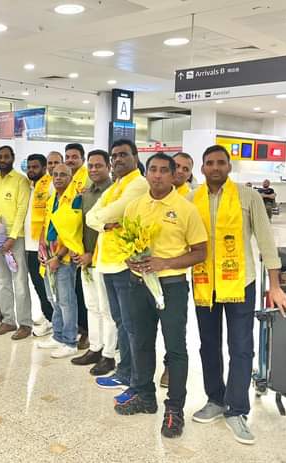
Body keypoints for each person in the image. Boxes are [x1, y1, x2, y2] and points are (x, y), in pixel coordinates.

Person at [190, 145, 286, 445]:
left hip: (241, 282)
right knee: (208, 345)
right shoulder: (191, 198)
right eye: (209, 162)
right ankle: (215, 399)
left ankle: (236, 409)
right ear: (202, 167)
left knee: (241, 347)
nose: (215, 168)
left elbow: (265, 240)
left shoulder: (248, 197)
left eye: (220, 162)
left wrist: (274, 285)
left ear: (229, 167)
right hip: (203, 283)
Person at [118, 153, 208, 439]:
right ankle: (145, 396)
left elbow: (200, 252)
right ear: (147, 174)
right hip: (137, 284)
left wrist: (165, 263)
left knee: (175, 348)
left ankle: (175, 409)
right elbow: (128, 243)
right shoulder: (134, 206)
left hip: (171, 287)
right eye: (152, 170)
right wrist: (130, 261)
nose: (156, 175)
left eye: (163, 171)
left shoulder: (185, 209)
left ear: (173, 176)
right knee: (140, 342)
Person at [86, 139, 148, 401]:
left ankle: (134, 375)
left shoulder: (138, 184)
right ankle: (125, 372)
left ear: (134, 157)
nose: (118, 160)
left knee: (131, 323)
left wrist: (103, 219)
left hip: (126, 263)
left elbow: (115, 211)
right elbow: (92, 215)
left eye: (123, 154)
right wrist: (104, 223)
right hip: (107, 261)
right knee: (121, 319)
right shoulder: (117, 185)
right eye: (115, 156)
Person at [71, 149, 116, 376]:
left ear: (108, 167)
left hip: (105, 259)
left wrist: (92, 254)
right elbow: (78, 225)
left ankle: (109, 355)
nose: (94, 169)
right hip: (85, 258)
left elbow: (111, 229)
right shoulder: (87, 193)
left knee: (107, 309)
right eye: (91, 165)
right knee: (92, 306)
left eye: (99, 165)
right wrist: (78, 251)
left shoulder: (113, 192)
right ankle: (95, 348)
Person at [0, 145, 33, 340]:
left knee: (19, 281)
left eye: (6, 156)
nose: (2, 159)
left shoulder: (21, 180)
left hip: (15, 239)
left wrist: (12, 236)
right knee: (1, 281)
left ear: (12, 158)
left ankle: (25, 323)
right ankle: (8, 320)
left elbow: (22, 209)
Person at [36, 164, 83, 358]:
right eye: (55, 174)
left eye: (63, 174)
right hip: (47, 254)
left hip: (62, 258)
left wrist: (58, 256)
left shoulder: (75, 199)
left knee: (66, 301)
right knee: (52, 297)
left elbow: (73, 233)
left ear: (71, 177)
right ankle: (57, 335)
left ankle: (70, 341)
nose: (58, 178)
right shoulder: (51, 198)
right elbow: (46, 225)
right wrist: (42, 247)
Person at [25, 154, 54, 337]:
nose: (31, 170)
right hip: (29, 244)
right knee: (38, 285)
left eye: (35, 167)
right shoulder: (31, 186)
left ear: (44, 168)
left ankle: (52, 320)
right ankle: (48, 315)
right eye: (29, 167)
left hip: (42, 246)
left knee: (46, 287)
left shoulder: (49, 185)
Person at [64, 143, 90, 349]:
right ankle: (81, 327)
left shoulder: (86, 178)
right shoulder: (66, 178)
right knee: (74, 290)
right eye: (68, 156)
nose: (70, 160)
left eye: (74, 156)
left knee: (83, 290)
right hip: (68, 242)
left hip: (83, 244)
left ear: (82, 159)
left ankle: (88, 331)